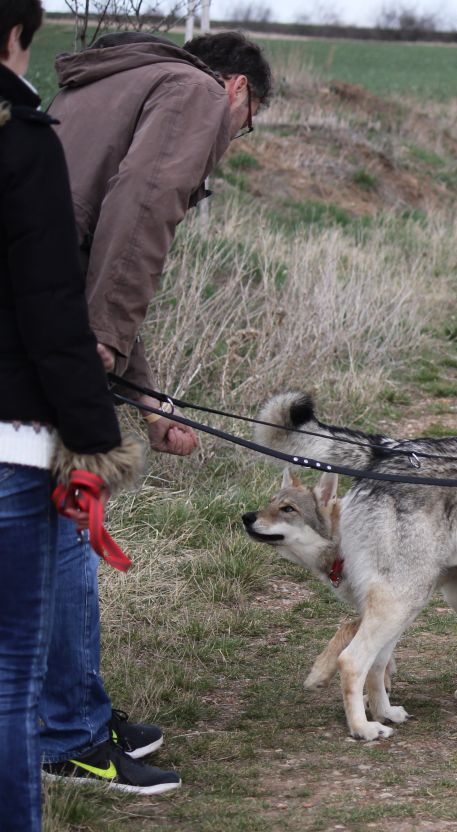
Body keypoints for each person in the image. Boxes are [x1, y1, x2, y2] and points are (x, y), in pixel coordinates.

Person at [37, 30, 272, 794]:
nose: (234, 138)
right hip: (45, 338)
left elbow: (84, 241)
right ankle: (70, 737)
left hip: (35, 313)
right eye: (250, 122)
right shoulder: (195, 94)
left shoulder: (102, 84)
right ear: (238, 89)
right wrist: (100, 350)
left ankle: (78, 714)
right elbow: (137, 217)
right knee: (69, 521)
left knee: (49, 522)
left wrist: (145, 393)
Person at [0, 0, 144, 825]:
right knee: (9, 680)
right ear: (17, 34)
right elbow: (51, 308)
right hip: (13, 446)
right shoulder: (21, 139)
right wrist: (95, 435)